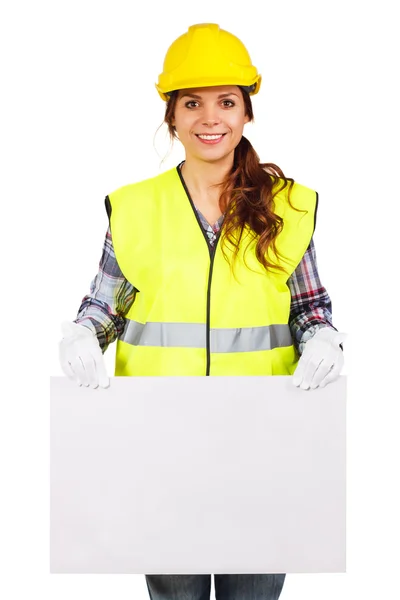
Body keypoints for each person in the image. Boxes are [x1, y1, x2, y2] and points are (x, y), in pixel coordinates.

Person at [59, 22, 346, 600]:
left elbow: (310, 307)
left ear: (246, 114)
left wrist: (323, 339)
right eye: (192, 102)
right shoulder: (137, 209)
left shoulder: (287, 207)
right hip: (164, 452)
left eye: (226, 102)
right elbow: (106, 305)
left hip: (263, 448)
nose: (209, 118)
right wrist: (82, 335)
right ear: (172, 116)